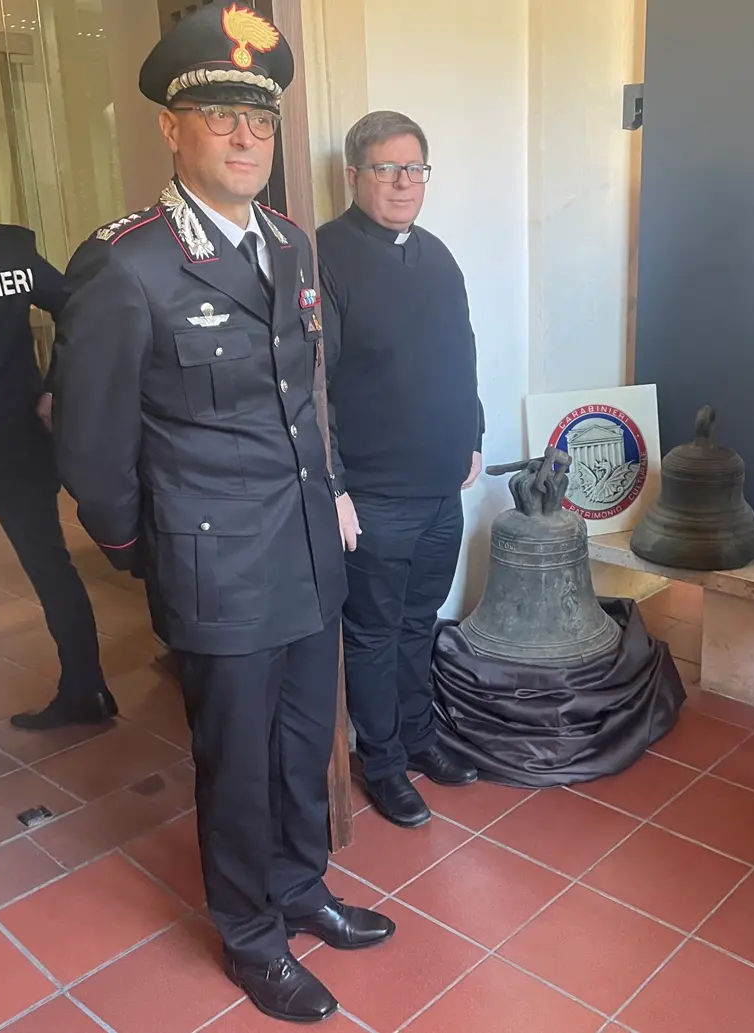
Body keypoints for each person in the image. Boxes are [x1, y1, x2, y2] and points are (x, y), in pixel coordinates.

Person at [50, 2, 392, 1023]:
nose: (248, 137)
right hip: (215, 569)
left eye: (262, 118)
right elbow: (92, 446)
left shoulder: (288, 243)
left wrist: (330, 492)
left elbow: (304, 394)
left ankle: (299, 887)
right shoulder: (130, 262)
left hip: (303, 552)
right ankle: (250, 935)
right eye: (221, 116)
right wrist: (136, 547)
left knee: (299, 746)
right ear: (172, 128)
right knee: (236, 763)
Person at [317, 110, 483, 829]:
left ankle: (419, 736)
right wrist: (337, 486)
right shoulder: (322, 255)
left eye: (415, 168)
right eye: (387, 168)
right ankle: (380, 760)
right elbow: (310, 385)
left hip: (442, 484)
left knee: (422, 620)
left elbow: (461, 349)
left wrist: (472, 433)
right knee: (376, 633)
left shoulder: (437, 254)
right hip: (375, 496)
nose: (403, 183)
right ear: (354, 174)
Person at [0, 224, 115, 731]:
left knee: (49, 567)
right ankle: (86, 691)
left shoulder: (7, 250)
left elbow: (79, 308)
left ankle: (85, 689)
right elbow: (76, 308)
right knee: (51, 567)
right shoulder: (7, 250)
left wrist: (55, 384)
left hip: (14, 439)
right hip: (15, 438)